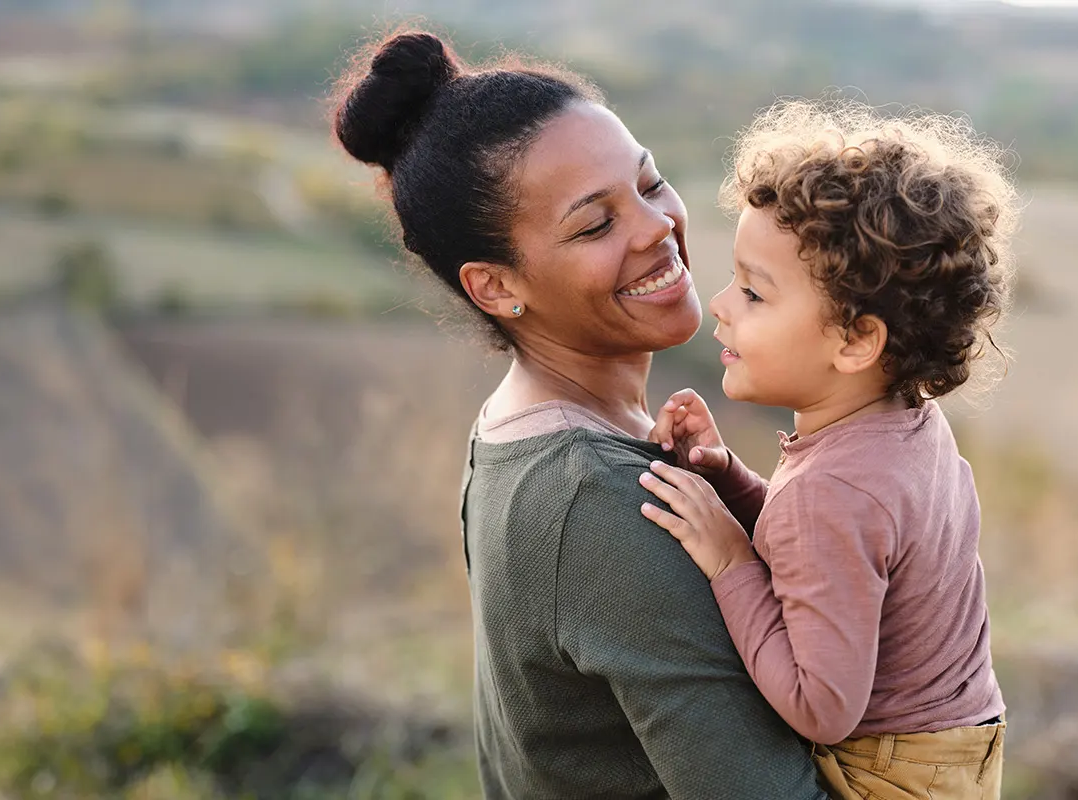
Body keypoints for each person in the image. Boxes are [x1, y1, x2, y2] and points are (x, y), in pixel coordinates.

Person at [330, 28, 826, 799]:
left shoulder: (516, 428)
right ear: (496, 287)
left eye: (650, 183)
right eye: (595, 225)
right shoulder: (597, 501)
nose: (657, 226)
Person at [638, 99, 1019, 799]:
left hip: (889, 776)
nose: (720, 303)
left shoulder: (834, 492)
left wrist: (729, 560)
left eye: (754, 293)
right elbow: (841, 555)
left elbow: (822, 707)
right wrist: (732, 483)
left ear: (855, 340)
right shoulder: (909, 424)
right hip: (957, 752)